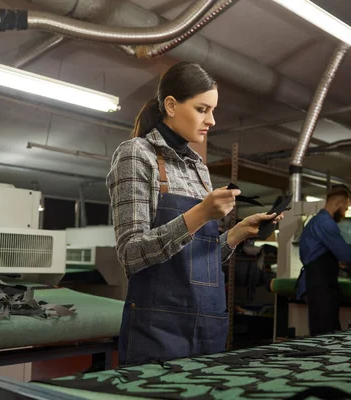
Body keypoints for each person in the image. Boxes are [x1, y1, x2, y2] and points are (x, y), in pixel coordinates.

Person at [107, 62, 282, 365]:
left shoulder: (198, 168)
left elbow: (200, 257)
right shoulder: (137, 154)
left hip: (207, 326)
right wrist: (201, 214)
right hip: (158, 328)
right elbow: (130, 254)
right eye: (203, 109)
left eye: (213, 110)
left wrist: (238, 233)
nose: (212, 120)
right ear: (172, 106)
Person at [296, 187, 351, 335]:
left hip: (317, 283)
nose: (345, 212)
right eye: (346, 208)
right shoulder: (325, 223)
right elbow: (345, 253)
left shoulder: (315, 221)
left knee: (323, 330)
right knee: (325, 333)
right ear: (338, 204)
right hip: (320, 285)